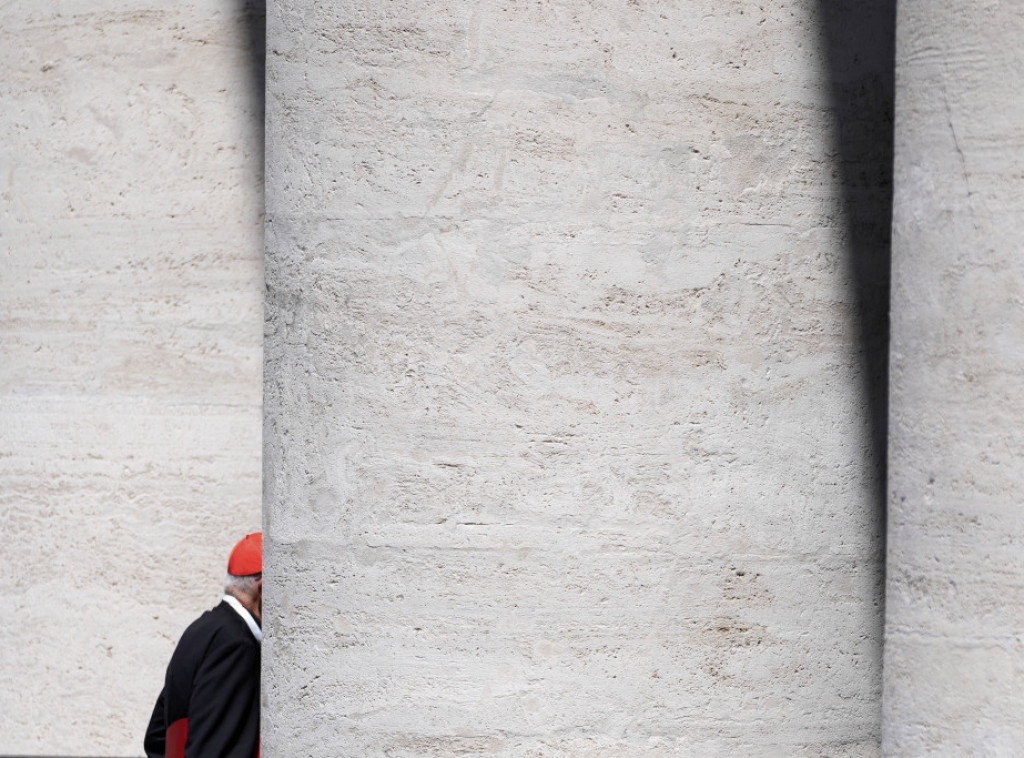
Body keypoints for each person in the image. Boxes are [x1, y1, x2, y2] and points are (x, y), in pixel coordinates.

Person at [144, 532, 262, 758]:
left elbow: (157, 739)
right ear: (263, 589)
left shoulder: (200, 630)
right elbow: (218, 749)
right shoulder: (238, 645)